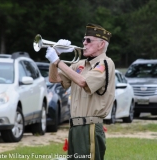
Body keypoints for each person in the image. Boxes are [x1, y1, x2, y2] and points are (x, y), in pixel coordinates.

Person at [45, 23, 115, 160]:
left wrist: (58, 61)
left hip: (90, 126)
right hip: (75, 126)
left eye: (88, 40)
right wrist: (55, 58)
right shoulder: (79, 64)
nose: (84, 43)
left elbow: (83, 82)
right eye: (84, 40)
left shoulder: (105, 63)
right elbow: (54, 79)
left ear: (101, 45)